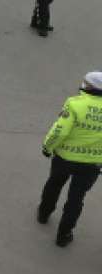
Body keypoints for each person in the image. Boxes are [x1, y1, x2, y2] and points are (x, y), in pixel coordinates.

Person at [37, 71, 102, 247]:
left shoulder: (75, 104)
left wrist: (47, 147)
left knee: (54, 184)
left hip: (65, 158)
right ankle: (64, 235)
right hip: (92, 164)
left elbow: (60, 131)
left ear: (88, 86)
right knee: (76, 198)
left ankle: (44, 214)